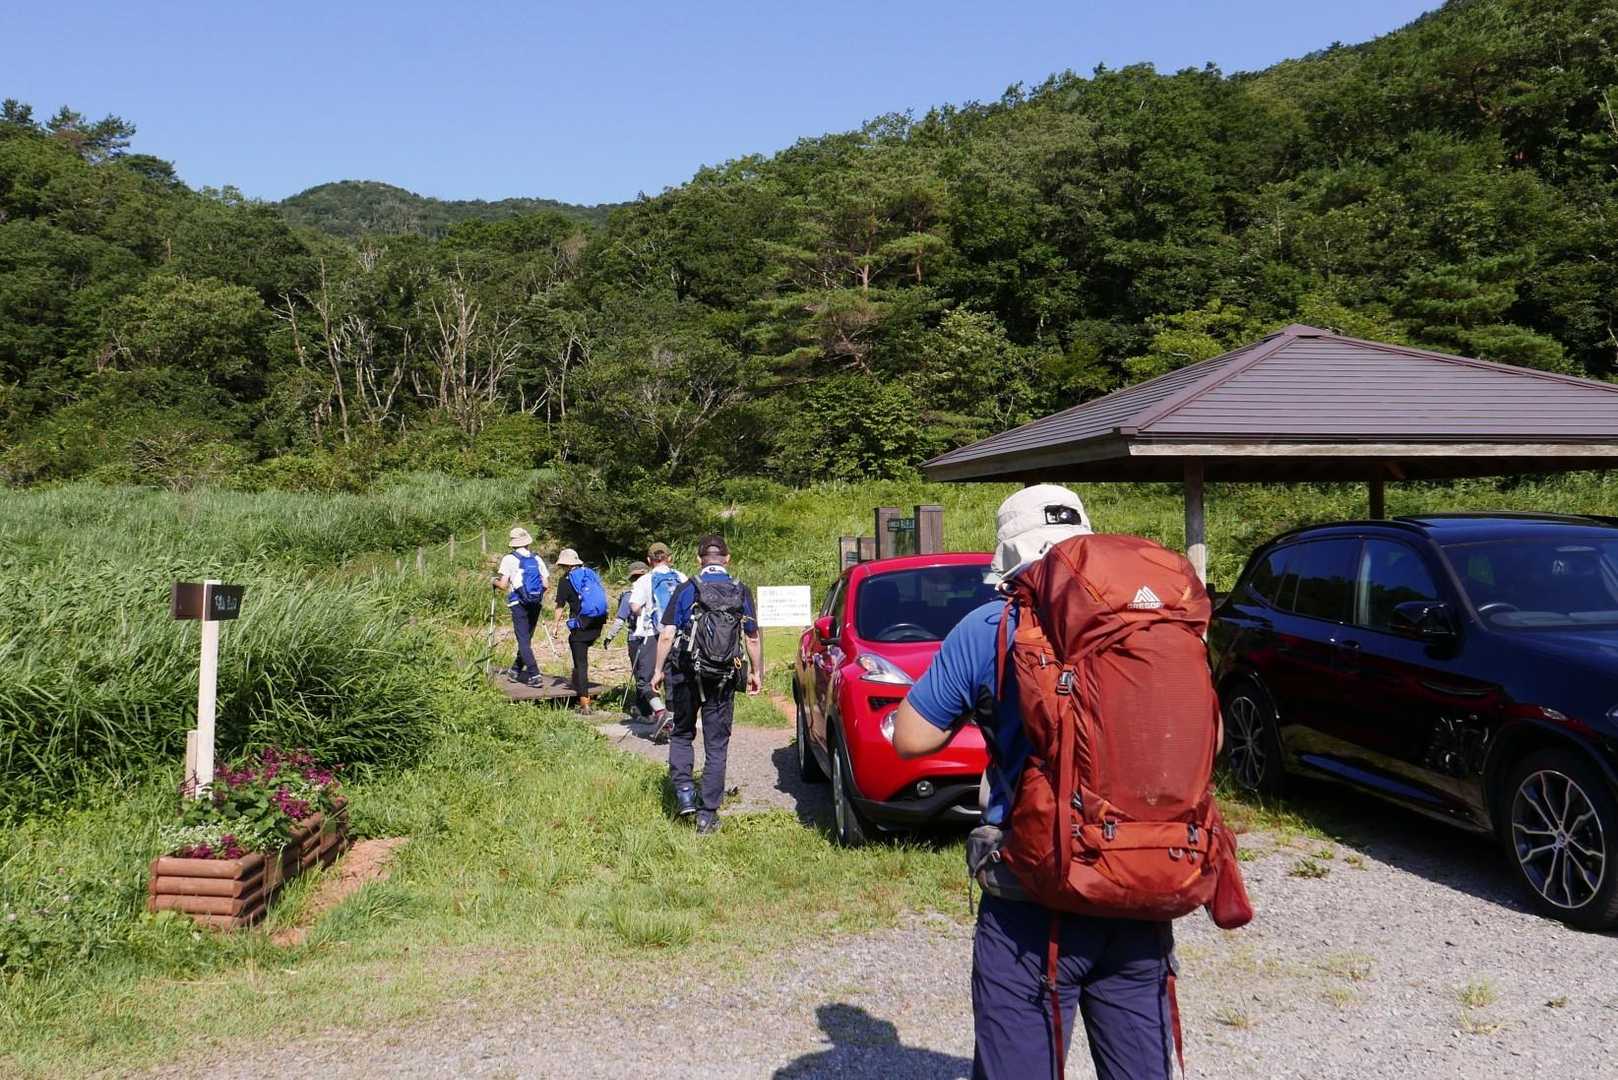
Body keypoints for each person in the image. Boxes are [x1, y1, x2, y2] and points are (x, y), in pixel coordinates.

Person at [891, 485, 1197, 1080]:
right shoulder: (1155, 624)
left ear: (1008, 554)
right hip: (1140, 882)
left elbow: (912, 739)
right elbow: (1207, 739)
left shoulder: (990, 626)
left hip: (1033, 892)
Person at [649, 533, 762, 834]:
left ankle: (685, 792)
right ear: (727, 559)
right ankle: (707, 814)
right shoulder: (740, 590)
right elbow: (751, 636)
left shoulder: (688, 587)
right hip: (723, 677)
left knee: (682, 733)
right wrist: (756, 672)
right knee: (716, 744)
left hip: (686, 674)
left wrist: (657, 670)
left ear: (699, 560)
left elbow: (667, 634)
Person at [628, 541, 687, 742]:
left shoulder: (644, 580)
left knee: (645, 680)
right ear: (670, 558)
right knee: (673, 679)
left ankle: (661, 713)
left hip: (652, 634)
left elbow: (635, 607)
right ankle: (674, 724)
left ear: (649, 560)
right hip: (679, 636)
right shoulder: (682, 578)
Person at [552, 548, 609, 715]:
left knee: (581, 662)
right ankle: (576, 679)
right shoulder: (590, 574)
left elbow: (560, 605)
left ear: (565, 565)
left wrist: (555, 625)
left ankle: (584, 702)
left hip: (582, 624)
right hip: (597, 622)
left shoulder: (565, 581)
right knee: (575, 645)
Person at [492, 527, 549, 688]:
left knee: (523, 641)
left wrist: (493, 581)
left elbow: (503, 585)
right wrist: (534, 595)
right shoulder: (537, 558)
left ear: (513, 543)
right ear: (527, 542)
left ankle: (535, 675)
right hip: (535, 603)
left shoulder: (509, 559)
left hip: (518, 604)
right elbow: (546, 584)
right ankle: (515, 670)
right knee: (526, 640)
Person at [602, 561, 650, 718]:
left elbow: (620, 621)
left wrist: (609, 637)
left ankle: (643, 709)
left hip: (636, 638)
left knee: (639, 674)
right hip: (654, 638)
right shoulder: (655, 592)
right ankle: (651, 707)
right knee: (650, 674)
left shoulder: (629, 596)